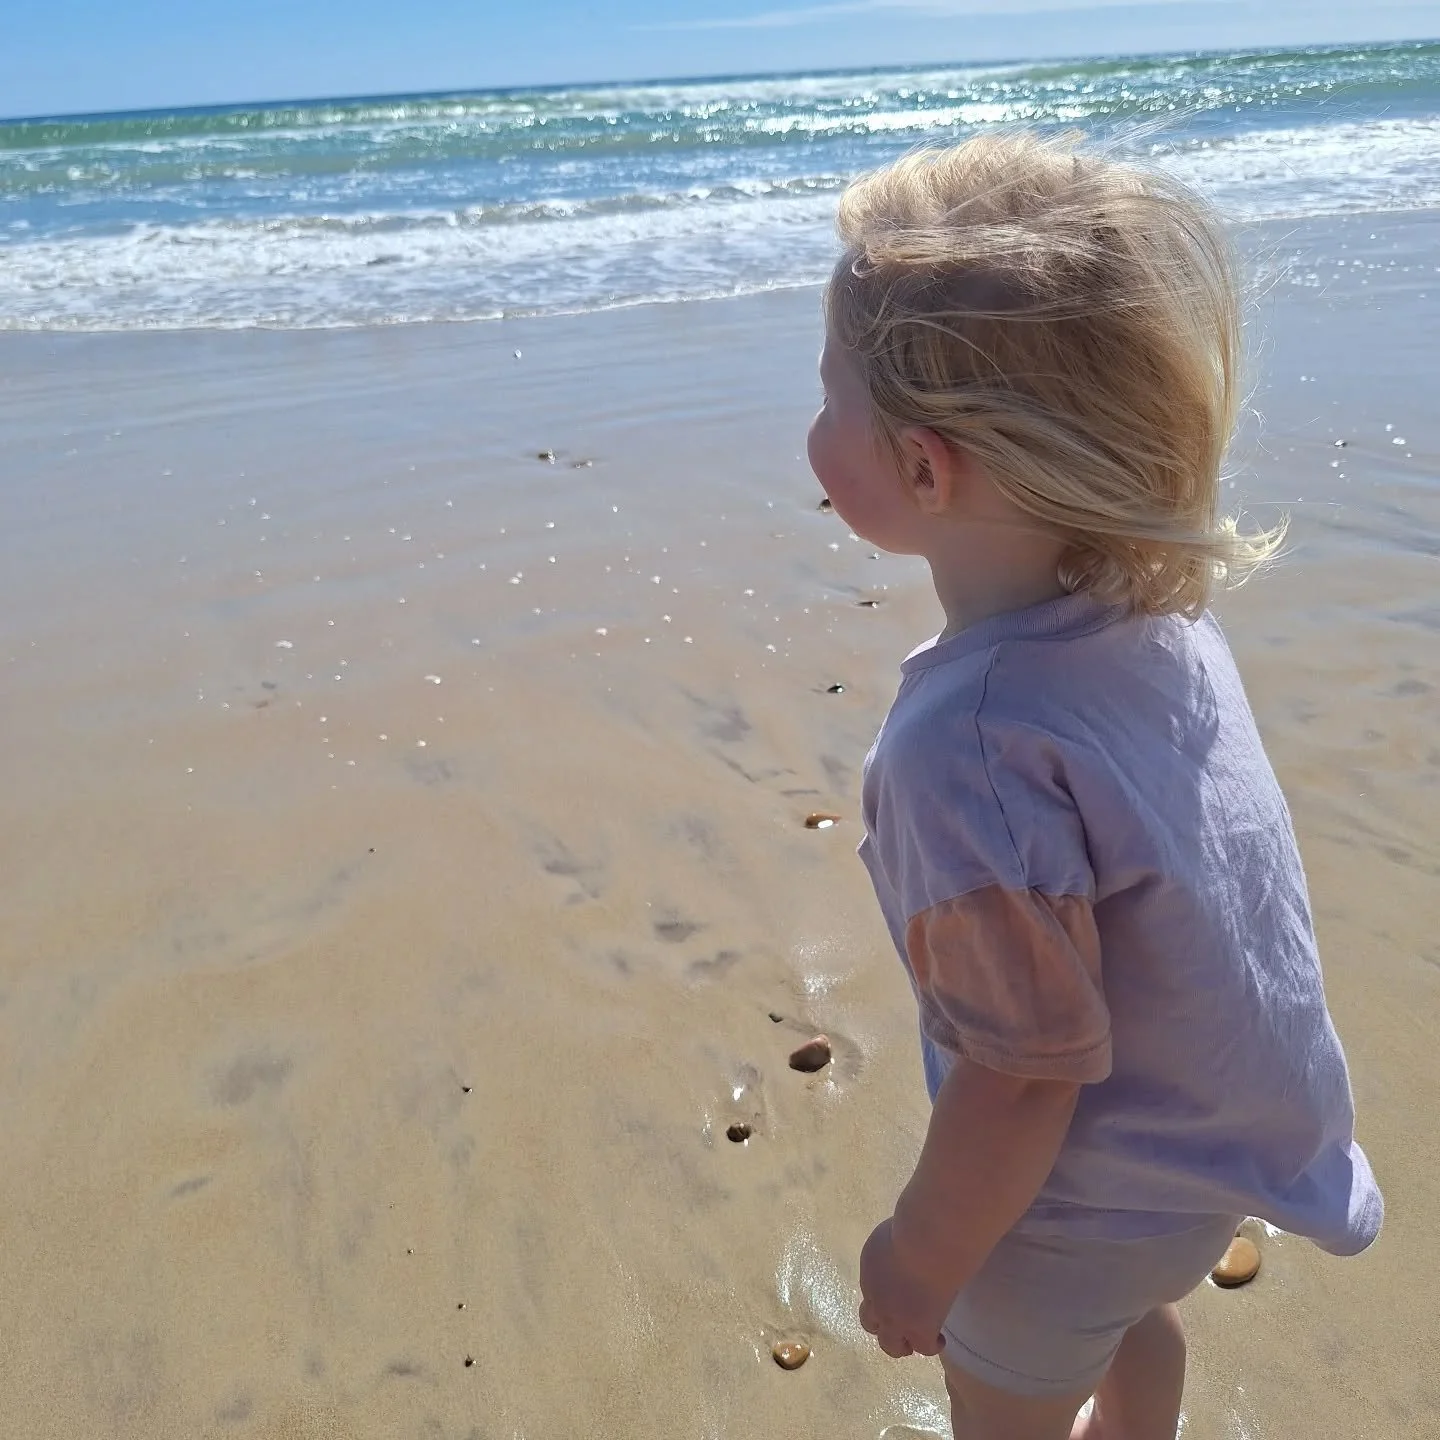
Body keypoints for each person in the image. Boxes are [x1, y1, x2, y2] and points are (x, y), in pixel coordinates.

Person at [806, 132, 1383, 1440]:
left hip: (1069, 1208)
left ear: (923, 469)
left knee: (1005, 1392)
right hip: (1201, 1156)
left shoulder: (967, 749)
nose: (811, 429)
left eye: (830, 395)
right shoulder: (1159, 624)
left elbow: (1023, 1073)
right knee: (1136, 1318)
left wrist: (922, 1255)